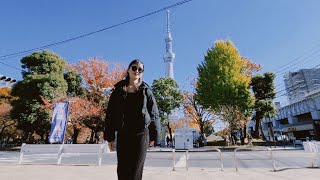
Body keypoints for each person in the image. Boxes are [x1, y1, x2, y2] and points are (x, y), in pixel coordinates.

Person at [104, 59, 160, 180]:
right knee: (123, 170)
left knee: (135, 170)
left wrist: (154, 135)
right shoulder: (118, 90)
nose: (137, 71)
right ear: (128, 70)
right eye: (134, 68)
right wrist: (110, 137)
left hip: (141, 135)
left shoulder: (146, 91)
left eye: (140, 69)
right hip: (123, 133)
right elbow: (110, 114)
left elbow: (154, 113)